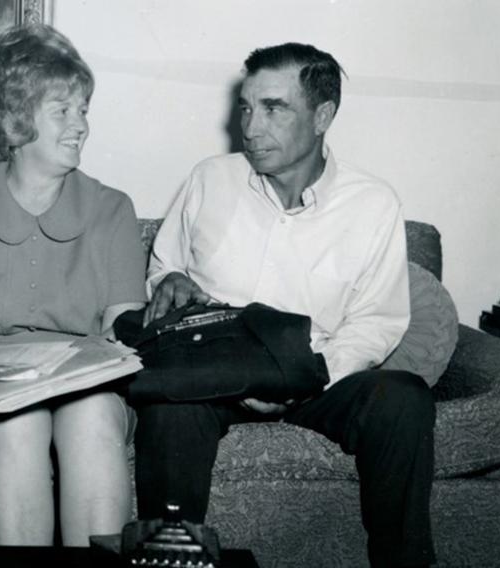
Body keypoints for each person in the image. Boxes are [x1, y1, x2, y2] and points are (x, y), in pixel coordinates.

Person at [134, 43, 435, 568]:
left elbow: (375, 322)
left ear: (323, 116)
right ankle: (169, 563)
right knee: (169, 408)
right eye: (246, 107)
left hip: (318, 380)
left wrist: (306, 377)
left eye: (274, 108)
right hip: (215, 376)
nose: (251, 127)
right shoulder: (210, 179)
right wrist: (173, 277)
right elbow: (163, 268)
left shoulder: (373, 204)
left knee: (402, 397)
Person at [0, 24, 146, 546]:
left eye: (83, 110)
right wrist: (18, 368)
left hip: (88, 383)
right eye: (63, 111)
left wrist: (68, 365)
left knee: (89, 413)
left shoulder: (113, 208)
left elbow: (123, 334)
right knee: (15, 418)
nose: (81, 127)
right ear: (14, 120)